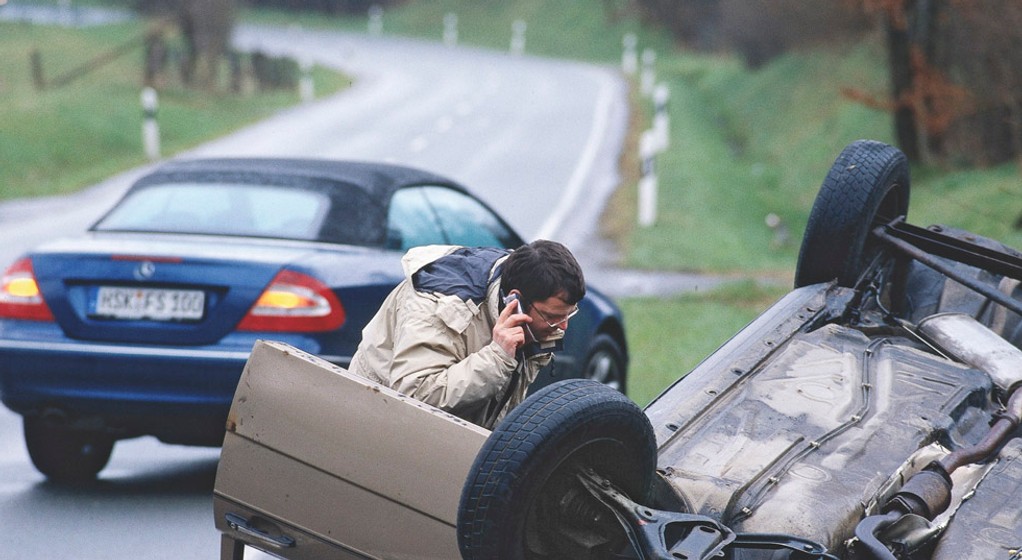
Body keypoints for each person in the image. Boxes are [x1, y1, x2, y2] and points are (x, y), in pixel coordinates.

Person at [349, 240, 586, 429]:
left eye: (568, 315)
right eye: (552, 317)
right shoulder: (439, 307)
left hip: (447, 436)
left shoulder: (524, 306)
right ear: (516, 300)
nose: (562, 328)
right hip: (374, 423)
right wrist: (497, 359)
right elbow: (414, 396)